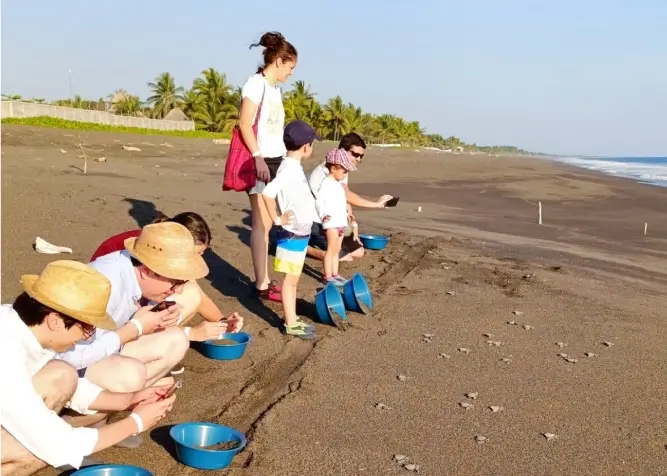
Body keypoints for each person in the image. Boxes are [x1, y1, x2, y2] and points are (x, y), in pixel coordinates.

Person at [0, 260, 176, 476]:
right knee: (37, 451)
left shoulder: (19, 324)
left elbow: (75, 388)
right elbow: (58, 445)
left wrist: (130, 399)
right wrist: (136, 423)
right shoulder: (6, 355)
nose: (88, 337)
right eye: (87, 328)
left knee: (63, 373)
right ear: (55, 321)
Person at [57, 222, 207, 400]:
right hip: (62, 366)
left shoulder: (134, 272)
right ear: (146, 271)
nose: (179, 290)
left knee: (177, 340)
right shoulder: (103, 285)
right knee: (131, 375)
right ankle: (81, 416)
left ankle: (132, 395)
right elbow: (68, 357)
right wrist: (135, 328)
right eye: (176, 282)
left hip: (106, 344)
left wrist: (161, 309)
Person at [90, 211, 244, 348]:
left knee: (189, 292)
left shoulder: (156, 244)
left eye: (201, 255)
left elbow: (197, 294)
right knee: (184, 297)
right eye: (195, 254)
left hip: (137, 297)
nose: (196, 260)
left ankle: (159, 342)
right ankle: (149, 348)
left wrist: (223, 323)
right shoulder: (149, 252)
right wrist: (190, 333)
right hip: (109, 311)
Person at [240, 31, 298, 303]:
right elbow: (244, 124)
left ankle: (264, 279)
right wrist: (258, 156)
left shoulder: (275, 89)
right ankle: (261, 283)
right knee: (261, 223)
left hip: (276, 158)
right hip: (260, 159)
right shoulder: (256, 84)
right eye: (290, 67)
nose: (291, 73)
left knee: (271, 220)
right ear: (278, 61)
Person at [261, 120, 321, 339]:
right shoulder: (288, 169)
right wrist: (277, 219)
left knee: (293, 279)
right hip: (292, 233)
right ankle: (290, 322)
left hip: (300, 232)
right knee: (291, 280)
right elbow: (268, 193)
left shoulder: (293, 167)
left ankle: (292, 318)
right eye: (312, 144)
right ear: (306, 146)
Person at [308, 133, 393, 262]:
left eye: (361, 156)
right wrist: (376, 204)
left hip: (335, 221)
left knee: (359, 252)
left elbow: (345, 200)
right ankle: (304, 249)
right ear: (342, 150)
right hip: (317, 222)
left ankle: (328, 250)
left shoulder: (343, 169)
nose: (358, 159)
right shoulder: (329, 170)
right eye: (355, 154)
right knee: (345, 257)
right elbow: (346, 195)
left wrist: (354, 227)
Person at [316, 148, 358, 285]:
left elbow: (341, 201)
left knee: (337, 250)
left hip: (340, 221)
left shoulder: (338, 185)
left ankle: (335, 274)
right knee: (331, 249)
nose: (345, 174)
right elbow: (320, 201)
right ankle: (328, 276)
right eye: (344, 171)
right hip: (331, 222)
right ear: (333, 168)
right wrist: (323, 215)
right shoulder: (326, 184)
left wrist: (347, 213)